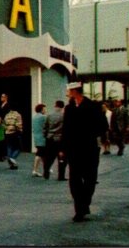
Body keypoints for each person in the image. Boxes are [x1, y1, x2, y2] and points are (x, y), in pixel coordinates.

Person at [61, 81, 108, 222]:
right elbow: (66, 129)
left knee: (90, 179)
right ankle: (79, 209)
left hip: (89, 148)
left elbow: (103, 125)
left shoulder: (93, 106)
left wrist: (90, 134)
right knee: (74, 180)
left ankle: (84, 203)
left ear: (75, 91)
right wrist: (63, 148)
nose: (67, 93)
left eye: (69, 90)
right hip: (73, 149)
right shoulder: (69, 108)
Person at [43, 100, 66, 180]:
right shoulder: (64, 116)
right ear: (62, 107)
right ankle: (61, 175)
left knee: (49, 157)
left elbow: (45, 127)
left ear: (55, 106)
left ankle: (46, 172)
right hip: (60, 139)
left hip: (50, 138)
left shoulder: (49, 115)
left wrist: (46, 135)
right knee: (62, 158)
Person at [31, 103, 47, 177]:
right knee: (39, 153)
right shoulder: (43, 117)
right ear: (41, 109)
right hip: (42, 137)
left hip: (36, 136)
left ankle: (46, 167)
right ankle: (35, 170)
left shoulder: (34, 117)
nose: (45, 110)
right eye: (44, 109)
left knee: (42, 153)